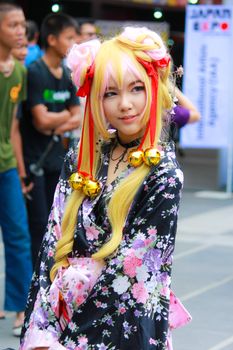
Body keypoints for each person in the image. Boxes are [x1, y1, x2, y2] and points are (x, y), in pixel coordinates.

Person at [20, 26, 191, 349]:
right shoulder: (81, 158)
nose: (125, 104)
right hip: (61, 316)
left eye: (136, 89)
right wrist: (41, 330)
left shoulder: (164, 174)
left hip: (122, 324)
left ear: (154, 89)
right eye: (111, 93)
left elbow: (131, 269)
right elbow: (52, 244)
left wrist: (68, 343)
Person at [20, 13, 82, 267]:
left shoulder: (67, 73)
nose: (73, 44)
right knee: (37, 228)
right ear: (53, 39)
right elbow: (40, 121)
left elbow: (77, 116)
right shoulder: (34, 72)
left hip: (57, 160)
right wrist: (63, 116)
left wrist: (55, 119)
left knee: (57, 224)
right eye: (69, 38)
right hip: (34, 161)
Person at [0, 2, 32, 336]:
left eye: (22, 24)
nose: (20, 30)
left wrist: (21, 171)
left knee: (19, 235)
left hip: (7, 166)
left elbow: (12, 127)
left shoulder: (19, 72)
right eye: (13, 25)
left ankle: (23, 308)